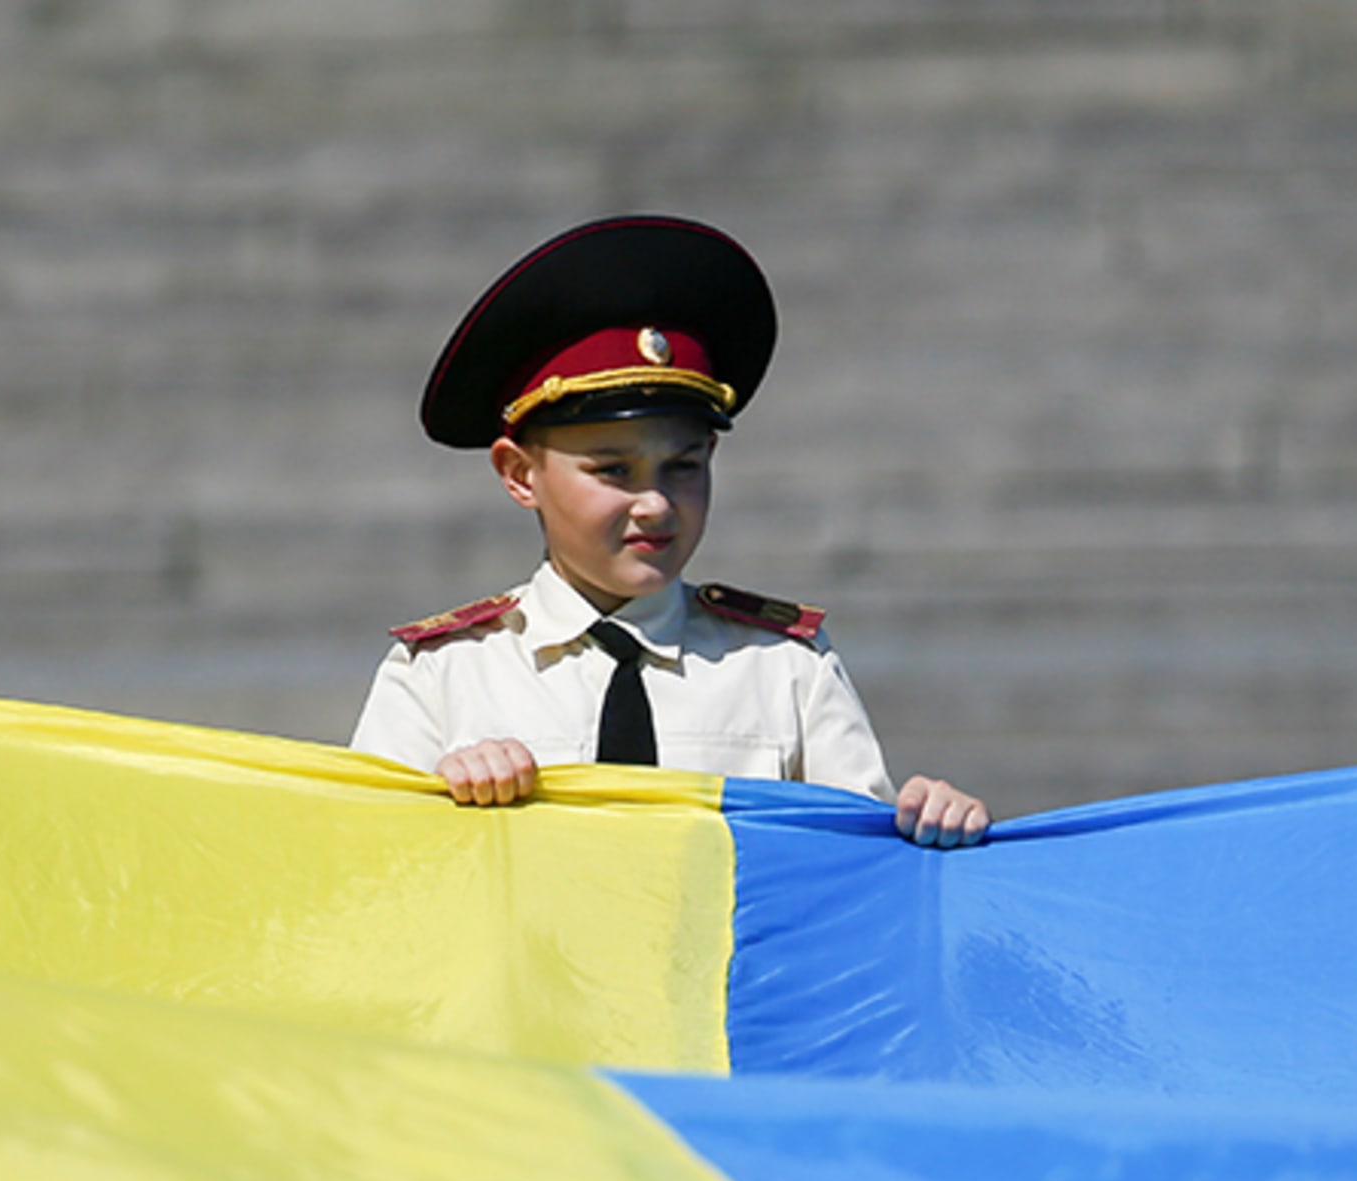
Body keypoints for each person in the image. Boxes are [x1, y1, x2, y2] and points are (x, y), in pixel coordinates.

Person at [349, 214, 989, 847]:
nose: (655, 503)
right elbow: (366, 882)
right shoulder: (443, 676)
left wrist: (931, 834)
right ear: (519, 474)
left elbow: (857, 878)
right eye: (613, 470)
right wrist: (439, 807)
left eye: (684, 466)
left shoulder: (784, 669)